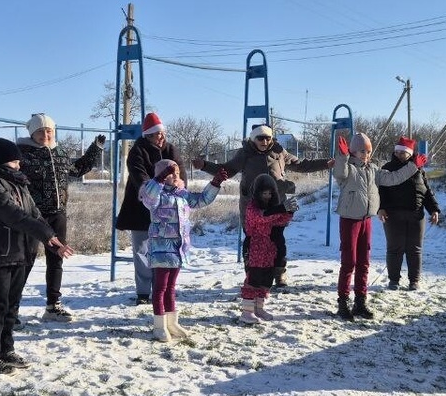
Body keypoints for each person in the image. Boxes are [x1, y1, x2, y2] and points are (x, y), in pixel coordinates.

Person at [0, 114, 104, 322]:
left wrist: (95, 148)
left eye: (49, 130)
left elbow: (78, 168)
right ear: (32, 133)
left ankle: (53, 305)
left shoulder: (60, 152)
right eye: (41, 131)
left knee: (56, 261)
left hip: (58, 213)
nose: (46, 135)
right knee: (24, 263)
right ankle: (11, 311)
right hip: (29, 216)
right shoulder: (21, 153)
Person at [0, 137, 75, 374]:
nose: (19, 165)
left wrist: (52, 239)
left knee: (11, 307)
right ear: (4, 161)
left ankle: (6, 351)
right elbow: (13, 214)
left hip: (19, 251)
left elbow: (34, 213)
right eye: (15, 161)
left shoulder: (18, 182)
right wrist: (45, 234)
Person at [191, 123, 332, 287]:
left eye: (267, 138)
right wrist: (205, 165)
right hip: (253, 208)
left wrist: (325, 164)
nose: (264, 141)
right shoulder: (245, 153)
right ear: (253, 139)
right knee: (252, 243)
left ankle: (279, 273)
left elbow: (301, 165)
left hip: (276, 206)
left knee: (277, 242)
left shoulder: (280, 152)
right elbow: (227, 169)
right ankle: (251, 275)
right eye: (260, 138)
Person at [332, 132, 423, 320]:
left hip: (366, 220)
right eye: (361, 151)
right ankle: (343, 303)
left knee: (364, 262)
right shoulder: (348, 169)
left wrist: (414, 166)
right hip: (349, 220)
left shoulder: (373, 170)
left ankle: (360, 302)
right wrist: (342, 156)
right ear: (353, 151)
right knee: (349, 262)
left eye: (368, 151)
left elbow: (394, 178)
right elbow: (339, 173)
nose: (366, 154)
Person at [137, 159, 226, 342]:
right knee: (160, 288)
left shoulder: (182, 194)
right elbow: (149, 199)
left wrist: (215, 183)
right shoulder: (155, 193)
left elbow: (201, 200)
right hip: (161, 248)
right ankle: (159, 325)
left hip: (178, 248)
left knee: (171, 287)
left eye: (176, 172)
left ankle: (172, 322)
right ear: (161, 175)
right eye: (170, 172)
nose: (175, 175)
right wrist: (160, 179)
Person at [115, 113, 187, 305]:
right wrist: (153, 191)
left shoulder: (171, 149)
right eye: (156, 134)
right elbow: (140, 176)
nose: (161, 137)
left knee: (165, 252)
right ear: (147, 135)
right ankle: (143, 292)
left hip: (167, 212)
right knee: (142, 250)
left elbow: (181, 174)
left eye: (162, 133)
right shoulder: (137, 151)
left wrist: (179, 185)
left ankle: (162, 289)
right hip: (140, 208)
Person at [377, 136, 441, 291]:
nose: (399, 154)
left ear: (410, 153)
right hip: (393, 215)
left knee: (415, 249)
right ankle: (393, 280)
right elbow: (380, 191)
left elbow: (426, 192)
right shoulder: (387, 168)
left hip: (416, 215)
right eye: (397, 151)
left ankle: (414, 280)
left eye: (403, 152)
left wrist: (433, 209)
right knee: (394, 248)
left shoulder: (419, 170)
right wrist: (381, 207)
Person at [239, 173, 296, 324]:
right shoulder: (252, 208)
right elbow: (262, 217)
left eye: (270, 193)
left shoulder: (273, 208)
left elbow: (279, 220)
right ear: (257, 193)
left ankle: (259, 307)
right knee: (253, 279)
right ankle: (247, 311)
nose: (267, 197)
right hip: (254, 248)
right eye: (264, 193)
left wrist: (289, 212)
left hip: (269, 249)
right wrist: (280, 209)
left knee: (265, 279)